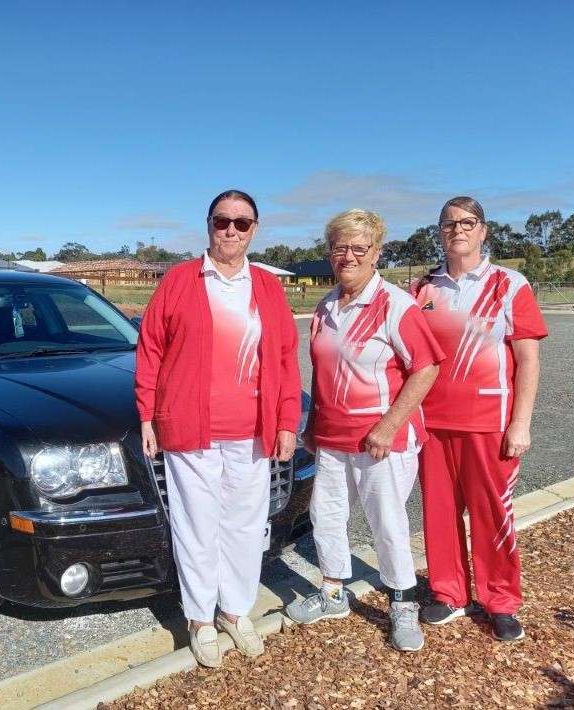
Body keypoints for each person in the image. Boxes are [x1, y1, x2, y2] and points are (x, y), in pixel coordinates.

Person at [135, 189, 301, 667]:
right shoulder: (181, 281)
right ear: (208, 225)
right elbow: (150, 351)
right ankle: (200, 619)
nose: (231, 230)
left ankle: (233, 610)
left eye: (241, 222)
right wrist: (146, 415)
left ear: (255, 229)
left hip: (252, 433)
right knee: (196, 525)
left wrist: (286, 422)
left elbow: (287, 360)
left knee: (246, 527)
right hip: (189, 429)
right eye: (222, 221)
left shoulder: (268, 287)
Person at [286, 209, 444, 652]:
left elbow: (425, 369)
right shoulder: (325, 306)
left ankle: (402, 601)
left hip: (382, 440)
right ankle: (333, 591)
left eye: (360, 248)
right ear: (329, 253)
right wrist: (313, 425)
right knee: (326, 516)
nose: (349, 256)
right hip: (333, 438)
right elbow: (320, 372)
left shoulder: (396, 305)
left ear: (376, 253)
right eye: (340, 248)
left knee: (387, 523)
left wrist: (389, 426)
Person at [412, 196, 548, 642]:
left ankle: (501, 601)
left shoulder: (509, 283)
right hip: (433, 424)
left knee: (493, 515)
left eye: (467, 222)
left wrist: (521, 422)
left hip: (490, 422)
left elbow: (528, 359)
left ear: (483, 230)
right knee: (439, 512)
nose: (457, 230)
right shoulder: (422, 288)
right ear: (440, 231)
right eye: (449, 223)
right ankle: (448, 592)